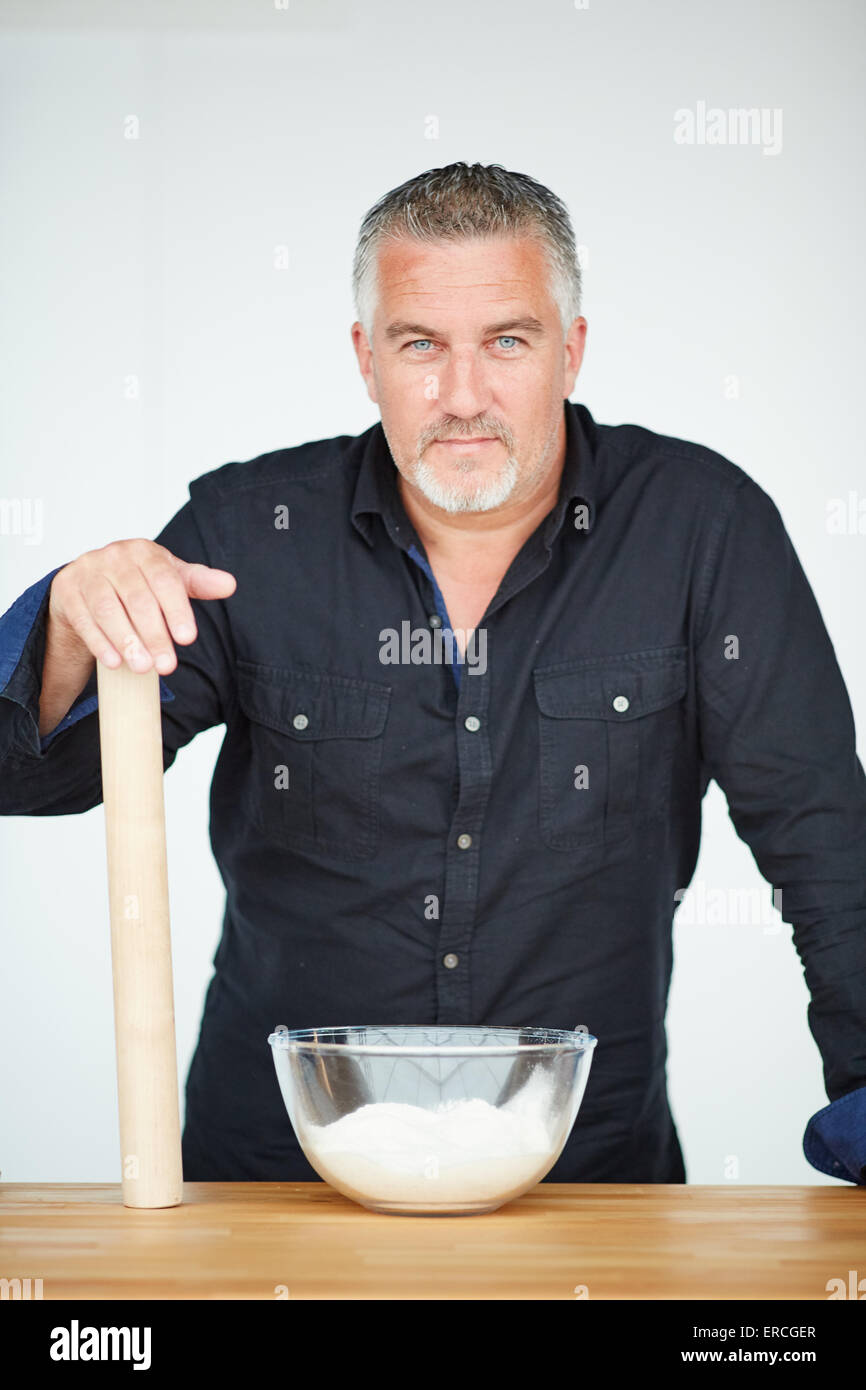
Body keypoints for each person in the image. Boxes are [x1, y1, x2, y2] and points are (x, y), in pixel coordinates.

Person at [1, 161, 864, 1186]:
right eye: (419, 345)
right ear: (366, 359)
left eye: (506, 339)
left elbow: (819, 835)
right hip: (274, 1182)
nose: (462, 397)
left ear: (569, 351)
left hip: (586, 1184)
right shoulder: (245, 535)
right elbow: (34, 777)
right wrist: (63, 623)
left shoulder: (700, 527)